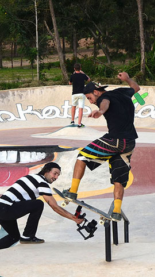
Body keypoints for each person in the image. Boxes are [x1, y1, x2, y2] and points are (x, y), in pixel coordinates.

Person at [63, 72, 140, 221]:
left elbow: (105, 103)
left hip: (115, 140)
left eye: (90, 98)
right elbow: (136, 87)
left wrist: (101, 111)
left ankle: (72, 191)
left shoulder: (103, 98)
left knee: (82, 156)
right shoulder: (122, 92)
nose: (91, 102)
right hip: (129, 143)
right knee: (119, 178)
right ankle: (116, 211)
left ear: (96, 92)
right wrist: (127, 79)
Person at [0, 162, 83, 251]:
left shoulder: (30, 177)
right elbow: (54, 206)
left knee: (14, 237)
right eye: (55, 173)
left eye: (58, 175)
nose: (56, 177)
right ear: (46, 171)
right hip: (6, 209)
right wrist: (74, 218)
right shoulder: (42, 183)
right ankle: (28, 236)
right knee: (38, 204)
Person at [69, 63, 90, 128]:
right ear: (80, 68)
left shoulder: (72, 75)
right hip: (81, 93)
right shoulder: (82, 75)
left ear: (74, 69)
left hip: (74, 93)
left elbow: (70, 83)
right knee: (81, 108)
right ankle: (79, 124)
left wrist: (73, 75)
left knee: (73, 106)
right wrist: (84, 73)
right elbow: (89, 79)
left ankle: (72, 121)